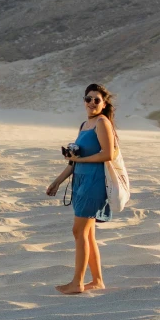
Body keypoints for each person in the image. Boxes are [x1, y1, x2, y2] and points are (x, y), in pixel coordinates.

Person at [46, 83, 117, 294]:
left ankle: (77, 282)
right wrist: (57, 181)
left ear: (104, 104)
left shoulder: (102, 123)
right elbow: (74, 162)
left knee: (78, 231)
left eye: (97, 100)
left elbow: (108, 154)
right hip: (80, 181)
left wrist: (82, 159)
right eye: (89, 99)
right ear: (84, 101)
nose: (92, 103)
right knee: (87, 234)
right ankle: (97, 281)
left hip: (94, 182)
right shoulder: (84, 125)